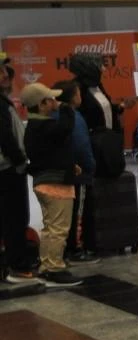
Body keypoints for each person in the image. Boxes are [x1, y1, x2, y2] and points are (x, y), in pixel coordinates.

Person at [67, 51, 128, 265]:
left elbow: (104, 108)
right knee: (86, 198)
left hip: (106, 144)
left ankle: (103, 238)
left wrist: (116, 108)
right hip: (91, 147)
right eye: (99, 65)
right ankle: (83, 244)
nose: (103, 69)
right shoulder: (78, 89)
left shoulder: (97, 86)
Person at [21, 83, 84, 287]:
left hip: (45, 182)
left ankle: (47, 266)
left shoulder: (35, 127)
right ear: (42, 104)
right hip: (55, 185)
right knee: (58, 229)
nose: (56, 103)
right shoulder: (43, 126)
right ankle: (55, 269)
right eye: (52, 100)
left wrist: (69, 165)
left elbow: (53, 151)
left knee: (50, 228)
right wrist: (66, 108)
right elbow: (65, 129)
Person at [0, 59, 39, 284]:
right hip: (8, 170)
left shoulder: (4, 102)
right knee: (14, 218)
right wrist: (20, 161)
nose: (6, 76)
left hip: (8, 168)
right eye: (2, 72)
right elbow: (6, 138)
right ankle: (17, 267)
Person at [51, 80, 96, 265]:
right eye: (78, 93)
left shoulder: (54, 115)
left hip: (60, 171)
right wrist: (89, 166)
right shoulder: (73, 117)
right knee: (78, 210)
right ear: (72, 96)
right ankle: (74, 249)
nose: (80, 96)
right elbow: (80, 145)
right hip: (78, 172)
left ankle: (68, 248)